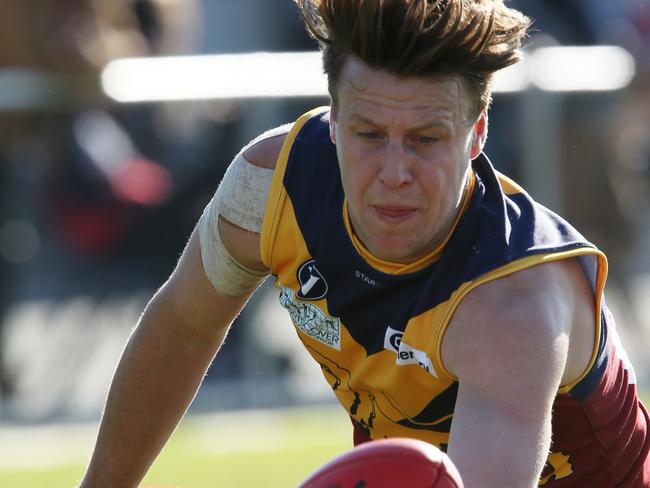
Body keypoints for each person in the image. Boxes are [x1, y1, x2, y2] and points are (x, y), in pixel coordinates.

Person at [80, 1, 650, 487]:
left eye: (426, 139)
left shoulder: (511, 310)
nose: (394, 172)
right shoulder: (271, 189)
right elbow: (181, 326)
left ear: (477, 133)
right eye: (368, 134)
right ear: (332, 119)